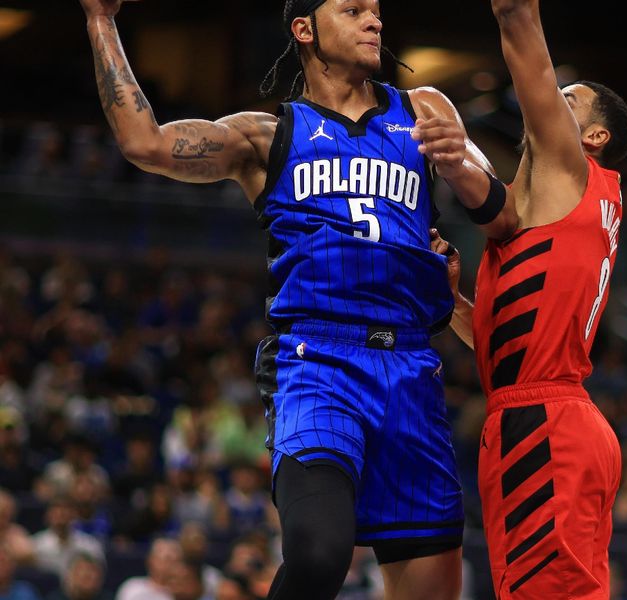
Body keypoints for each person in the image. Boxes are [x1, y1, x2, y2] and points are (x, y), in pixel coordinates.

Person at [77, 1, 516, 599]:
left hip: (413, 367)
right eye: (354, 9)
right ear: (304, 28)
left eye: (378, 11)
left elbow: (503, 210)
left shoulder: (424, 109)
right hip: (318, 362)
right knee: (317, 554)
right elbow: (144, 143)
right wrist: (101, 19)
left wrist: (461, 161)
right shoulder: (268, 134)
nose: (375, 21)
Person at [431, 0, 627, 596]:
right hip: (548, 411)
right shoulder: (556, 209)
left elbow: (519, 23)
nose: (546, 101)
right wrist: (458, 309)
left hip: (545, 424)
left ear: (593, 136)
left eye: (567, 99)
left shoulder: (569, 168)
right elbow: (519, 346)